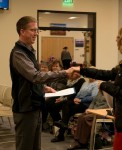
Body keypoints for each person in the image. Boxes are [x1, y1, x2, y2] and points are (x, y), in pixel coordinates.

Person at [71, 24, 122, 150]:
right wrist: (81, 70)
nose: (116, 39)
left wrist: (103, 85)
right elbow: (107, 74)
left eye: (119, 37)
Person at [9, 16, 72, 150]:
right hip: (26, 109)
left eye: (37, 30)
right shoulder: (18, 53)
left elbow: (30, 80)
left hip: (35, 106)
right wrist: (64, 73)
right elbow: (35, 76)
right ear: (22, 31)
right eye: (33, 30)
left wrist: (43, 88)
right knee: (25, 146)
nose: (36, 33)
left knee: (35, 146)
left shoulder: (29, 51)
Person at [51, 77, 99, 142]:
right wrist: (75, 99)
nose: (90, 76)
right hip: (78, 101)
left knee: (66, 113)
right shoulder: (85, 83)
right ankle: (63, 126)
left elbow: (93, 97)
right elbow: (79, 93)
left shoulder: (96, 84)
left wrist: (81, 100)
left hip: (86, 104)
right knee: (65, 105)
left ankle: (61, 134)